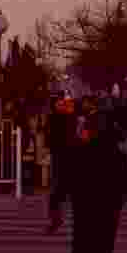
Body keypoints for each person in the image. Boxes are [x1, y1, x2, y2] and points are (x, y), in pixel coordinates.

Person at [51, 94, 127, 253]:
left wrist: (56, 206)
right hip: (99, 213)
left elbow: (63, 182)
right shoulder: (103, 153)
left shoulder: (90, 153)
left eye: (84, 129)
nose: (81, 132)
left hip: (92, 213)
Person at [46, 94, 77, 234]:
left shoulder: (70, 117)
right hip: (58, 157)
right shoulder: (53, 118)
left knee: (67, 190)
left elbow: (76, 136)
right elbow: (49, 138)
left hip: (70, 157)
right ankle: (55, 219)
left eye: (61, 102)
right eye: (58, 103)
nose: (60, 105)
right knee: (56, 191)